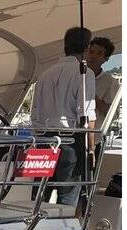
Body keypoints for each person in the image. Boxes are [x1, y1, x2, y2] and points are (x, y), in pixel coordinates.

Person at [30, 26, 97, 207]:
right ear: (86, 48)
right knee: (67, 199)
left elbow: (35, 112)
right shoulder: (85, 73)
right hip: (70, 142)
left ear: (65, 46)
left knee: (38, 198)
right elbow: (87, 114)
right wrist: (91, 149)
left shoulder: (45, 74)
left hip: (43, 140)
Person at [86, 36, 120, 121]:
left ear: (106, 58)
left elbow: (113, 115)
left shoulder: (110, 82)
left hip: (95, 128)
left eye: (99, 53)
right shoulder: (75, 76)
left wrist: (93, 97)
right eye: (91, 52)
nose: (93, 56)